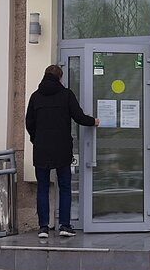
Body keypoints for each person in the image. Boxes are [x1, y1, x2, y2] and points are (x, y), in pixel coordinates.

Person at [25, 64, 99, 238]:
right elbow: (79, 117)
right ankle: (64, 225)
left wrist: (36, 139)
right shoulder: (66, 95)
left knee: (43, 188)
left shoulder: (35, 96)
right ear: (60, 78)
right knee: (65, 187)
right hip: (62, 148)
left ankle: (43, 227)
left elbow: (29, 123)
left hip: (41, 149)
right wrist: (93, 121)